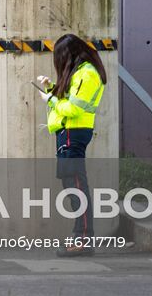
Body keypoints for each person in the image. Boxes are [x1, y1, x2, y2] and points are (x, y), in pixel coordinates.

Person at [37, 34, 108, 258]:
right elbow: (68, 103)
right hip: (69, 133)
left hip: (73, 134)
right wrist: (51, 90)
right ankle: (81, 237)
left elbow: (73, 109)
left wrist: (50, 100)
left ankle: (84, 240)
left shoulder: (87, 74)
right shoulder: (81, 73)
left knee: (77, 187)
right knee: (73, 186)